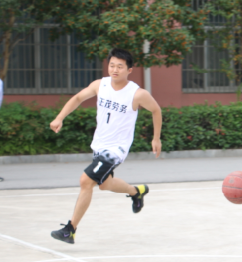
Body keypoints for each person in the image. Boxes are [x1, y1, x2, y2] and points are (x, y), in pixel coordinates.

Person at [48, 48, 162, 244]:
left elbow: (156, 110)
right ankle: (136, 192)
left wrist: (156, 138)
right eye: (112, 65)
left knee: (86, 181)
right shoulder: (100, 85)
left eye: (120, 66)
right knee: (105, 184)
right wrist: (60, 117)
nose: (114, 70)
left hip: (116, 149)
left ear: (129, 70)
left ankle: (70, 230)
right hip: (100, 145)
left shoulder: (137, 94)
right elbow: (78, 98)